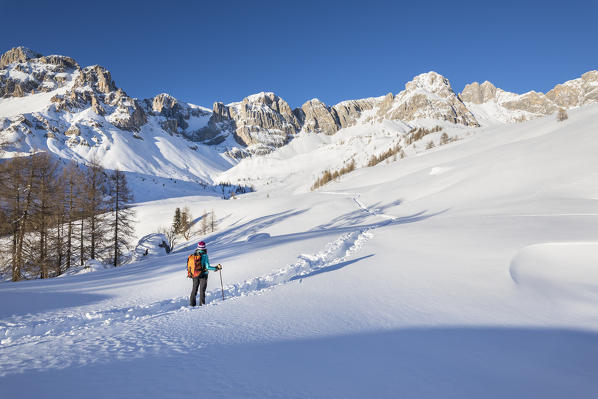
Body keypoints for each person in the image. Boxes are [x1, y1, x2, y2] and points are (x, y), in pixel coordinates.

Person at [187, 241, 221, 306]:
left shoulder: (194, 254)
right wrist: (216, 268)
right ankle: (202, 305)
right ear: (204, 247)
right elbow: (207, 267)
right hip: (203, 275)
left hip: (195, 274)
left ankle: (192, 304)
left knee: (194, 289)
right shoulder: (205, 255)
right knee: (202, 290)